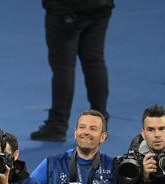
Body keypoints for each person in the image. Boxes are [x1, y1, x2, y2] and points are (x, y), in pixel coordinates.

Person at [30, 0, 114, 142]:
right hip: (101, 6)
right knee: (95, 61)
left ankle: (57, 126)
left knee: (64, 67)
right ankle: (100, 122)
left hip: (68, 9)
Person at [30, 109, 116, 184]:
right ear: (75, 133)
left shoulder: (112, 167)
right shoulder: (52, 164)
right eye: (82, 127)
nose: (86, 132)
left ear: (102, 137)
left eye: (93, 129)